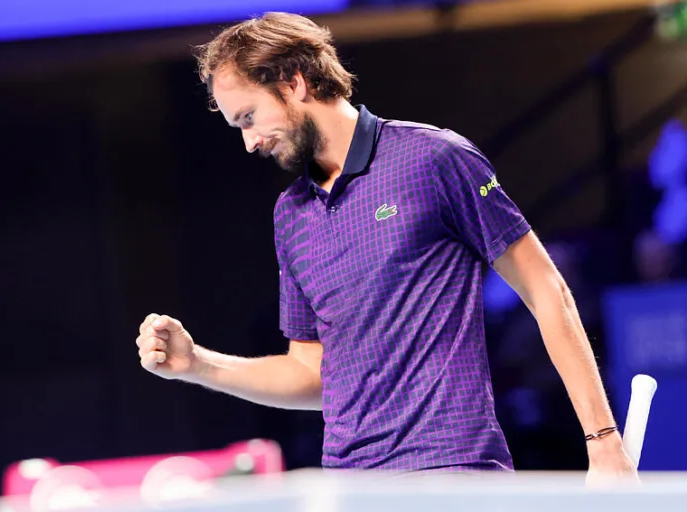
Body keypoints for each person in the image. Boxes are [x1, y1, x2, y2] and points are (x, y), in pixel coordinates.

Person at [136, 12, 636, 482]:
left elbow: (546, 290)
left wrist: (603, 440)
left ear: (293, 82)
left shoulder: (434, 158)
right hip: (350, 484)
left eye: (249, 117)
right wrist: (199, 364)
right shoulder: (290, 214)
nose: (249, 142)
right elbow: (312, 373)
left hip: (452, 472)